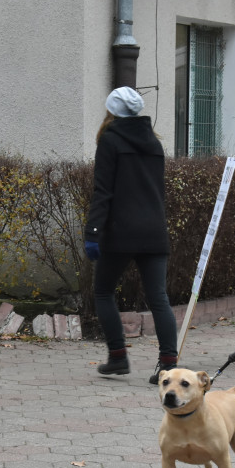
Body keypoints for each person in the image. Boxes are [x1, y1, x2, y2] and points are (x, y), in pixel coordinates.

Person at [84, 86, 178, 385]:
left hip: (121, 232)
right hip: (153, 230)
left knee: (103, 291)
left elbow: (103, 192)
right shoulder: (153, 142)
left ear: (111, 111)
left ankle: (118, 357)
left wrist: (93, 232)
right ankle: (168, 367)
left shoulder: (110, 141)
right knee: (158, 298)